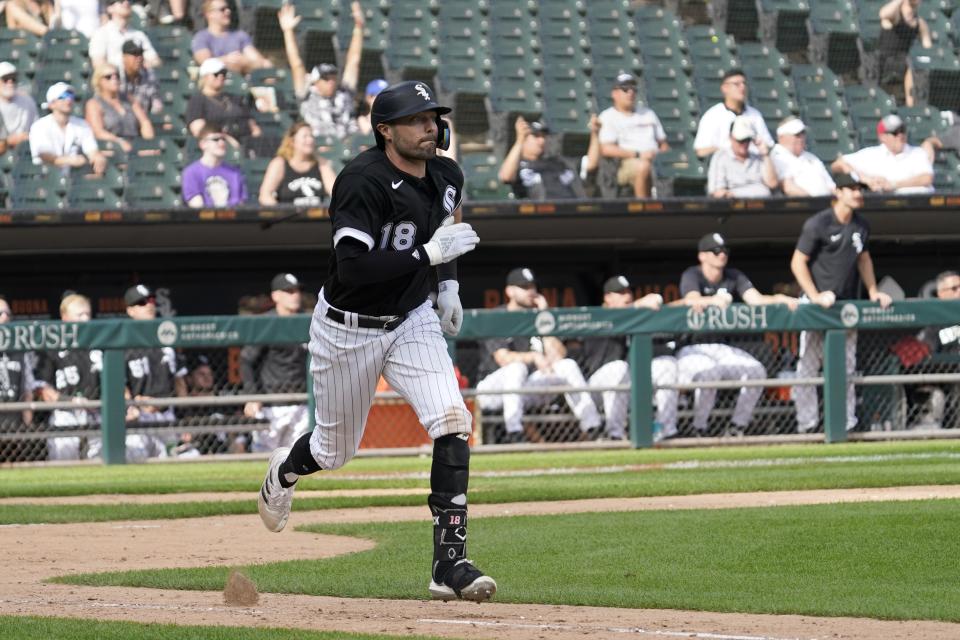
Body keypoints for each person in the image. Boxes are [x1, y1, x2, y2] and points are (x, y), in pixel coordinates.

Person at [256, 80, 495, 603]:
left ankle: (449, 564)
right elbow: (355, 266)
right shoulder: (361, 179)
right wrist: (431, 259)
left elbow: (445, 234)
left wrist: (448, 284)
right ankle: (285, 468)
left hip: (411, 318)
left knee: (453, 419)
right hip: (347, 326)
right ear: (384, 130)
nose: (429, 126)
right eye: (415, 119)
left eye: (432, 117)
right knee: (333, 452)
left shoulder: (448, 173)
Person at [790, 173, 894, 433]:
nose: (858, 193)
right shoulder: (819, 223)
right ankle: (808, 423)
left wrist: (873, 292)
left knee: (847, 367)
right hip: (817, 304)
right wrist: (813, 295)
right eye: (852, 189)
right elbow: (797, 262)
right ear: (838, 192)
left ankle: (847, 423)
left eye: (860, 189)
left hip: (846, 304)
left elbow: (864, 260)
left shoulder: (861, 224)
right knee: (808, 366)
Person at [677, 233, 799, 436]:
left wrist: (779, 298)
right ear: (703, 256)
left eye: (724, 251)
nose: (721, 255)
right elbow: (692, 300)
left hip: (721, 347)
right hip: (692, 347)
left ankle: (737, 426)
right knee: (709, 373)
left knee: (756, 371)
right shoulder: (692, 274)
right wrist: (712, 300)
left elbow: (756, 300)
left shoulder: (733, 276)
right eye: (715, 251)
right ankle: (698, 428)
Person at [475, 267, 603, 443]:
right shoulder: (497, 316)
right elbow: (502, 358)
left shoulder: (539, 318)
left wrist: (544, 316)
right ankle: (515, 432)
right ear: (510, 291)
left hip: (524, 388)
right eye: (524, 287)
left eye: (532, 286)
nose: (531, 291)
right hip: (492, 390)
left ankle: (593, 428)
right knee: (516, 368)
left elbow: (559, 355)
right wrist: (534, 357)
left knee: (567, 365)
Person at [580, 276, 678, 442]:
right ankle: (615, 434)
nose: (627, 296)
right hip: (595, 388)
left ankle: (666, 430)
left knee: (667, 365)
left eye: (628, 292)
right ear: (607, 297)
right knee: (618, 368)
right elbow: (616, 320)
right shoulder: (598, 315)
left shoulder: (634, 315)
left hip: (628, 387)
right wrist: (638, 305)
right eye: (620, 293)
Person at [240, 273, 310, 453]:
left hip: (302, 402)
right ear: (275, 296)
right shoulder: (267, 322)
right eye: (289, 291)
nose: (295, 295)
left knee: (298, 458)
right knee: (265, 459)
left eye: (297, 291)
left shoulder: (308, 321)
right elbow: (246, 359)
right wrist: (252, 396)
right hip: (272, 405)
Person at [280, 1, 363, 139]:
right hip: (320, 147)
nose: (330, 81)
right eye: (325, 78)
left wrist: (359, 27)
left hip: (349, 147)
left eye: (333, 77)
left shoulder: (345, 91)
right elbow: (296, 64)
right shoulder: (306, 94)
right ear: (316, 82)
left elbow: (354, 61)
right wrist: (288, 31)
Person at [122, 284, 186, 458]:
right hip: (139, 417)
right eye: (141, 303)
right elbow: (121, 386)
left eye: (151, 300)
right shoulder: (123, 344)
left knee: (183, 460)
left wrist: (184, 417)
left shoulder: (167, 339)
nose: (149, 305)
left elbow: (179, 383)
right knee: (135, 458)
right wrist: (131, 406)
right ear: (130, 311)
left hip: (167, 414)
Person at [34, 294, 101, 461]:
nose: (85, 319)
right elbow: (42, 389)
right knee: (64, 452)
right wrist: (70, 401)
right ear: (65, 317)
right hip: (65, 412)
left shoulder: (99, 346)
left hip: (97, 411)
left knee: (100, 461)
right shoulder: (52, 348)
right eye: (80, 315)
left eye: (88, 314)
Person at [598, 72, 669, 198]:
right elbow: (606, 149)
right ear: (614, 93)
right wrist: (639, 154)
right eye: (625, 89)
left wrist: (663, 157)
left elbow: (663, 144)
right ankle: (644, 208)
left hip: (655, 159)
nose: (630, 92)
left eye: (633, 89)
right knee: (643, 166)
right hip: (625, 163)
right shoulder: (608, 116)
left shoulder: (648, 113)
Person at [831, 114, 934, 194]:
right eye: (894, 132)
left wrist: (893, 185)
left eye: (902, 130)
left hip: (921, 207)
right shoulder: (873, 154)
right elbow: (838, 164)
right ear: (882, 137)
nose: (900, 135)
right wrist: (864, 179)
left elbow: (926, 178)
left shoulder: (917, 153)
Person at [186, 58, 264, 152]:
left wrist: (256, 137)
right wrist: (227, 139)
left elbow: (251, 124)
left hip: (245, 144)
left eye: (223, 73)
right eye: (216, 74)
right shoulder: (197, 100)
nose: (221, 76)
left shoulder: (234, 98)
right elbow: (199, 130)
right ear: (205, 77)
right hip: (217, 148)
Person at [29, 82, 108, 176]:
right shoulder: (40, 126)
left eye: (70, 96)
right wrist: (70, 160)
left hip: (73, 179)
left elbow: (91, 149)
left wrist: (97, 157)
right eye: (63, 97)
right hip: (44, 177)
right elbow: (44, 155)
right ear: (52, 104)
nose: (68, 100)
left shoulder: (82, 124)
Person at [498, 117, 586, 200]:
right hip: (538, 213)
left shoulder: (558, 162)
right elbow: (506, 177)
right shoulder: (517, 165)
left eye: (543, 136)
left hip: (570, 210)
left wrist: (595, 133)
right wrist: (519, 140)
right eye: (536, 136)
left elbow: (589, 164)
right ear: (524, 139)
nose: (542, 140)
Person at [694, 69, 774, 159]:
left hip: (753, 166)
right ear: (725, 88)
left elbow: (769, 145)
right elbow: (701, 150)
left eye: (744, 83)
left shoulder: (755, 115)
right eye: (737, 84)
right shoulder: (713, 115)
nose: (742, 87)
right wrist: (730, 150)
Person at [258, 121, 337, 206]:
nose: (310, 140)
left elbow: (337, 193)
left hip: (316, 217)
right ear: (292, 141)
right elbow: (265, 195)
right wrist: (280, 213)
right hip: (288, 218)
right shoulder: (279, 163)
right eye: (305, 136)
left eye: (311, 136)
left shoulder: (321, 163)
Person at [85, 63, 155, 153]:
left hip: (134, 146)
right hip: (110, 148)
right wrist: (119, 142)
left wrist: (148, 145)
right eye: (108, 77)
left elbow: (145, 122)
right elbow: (98, 132)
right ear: (99, 82)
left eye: (117, 76)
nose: (114, 79)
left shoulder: (129, 99)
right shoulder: (94, 104)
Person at [192, 0, 271, 74]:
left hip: (243, 80)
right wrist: (227, 59)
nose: (228, 11)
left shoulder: (240, 35)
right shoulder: (201, 37)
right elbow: (206, 63)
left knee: (267, 64)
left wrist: (241, 62)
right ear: (209, 14)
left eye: (228, 8)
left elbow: (259, 62)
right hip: (217, 80)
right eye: (222, 9)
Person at [706, 116, 779, 198]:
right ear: (731, 137)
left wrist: (765, 155)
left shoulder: (759, 157)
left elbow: (772, 184)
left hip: (762, 207)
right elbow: (717, 193)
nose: (744, 144)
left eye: (747, 139)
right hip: (733, 207)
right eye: (740, 140)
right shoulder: (721, 158)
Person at [0, 296, 37, 455]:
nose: (5, 317)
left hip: (14, 423)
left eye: (8, 313)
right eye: (0, 313)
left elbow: (27, 390)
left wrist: (27, 423)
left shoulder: (20, 351)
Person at [878, 0, 932, 106]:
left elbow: (929, 49)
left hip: (904, 64)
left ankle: (911, 107)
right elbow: (883, 14)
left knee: (912, 64)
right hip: (886, 63)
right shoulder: (896, 16)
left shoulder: (920, 23)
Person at [182, 123, 248, 207]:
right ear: (203, 144)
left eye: (223, 139)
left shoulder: (235, 173)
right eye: (216, 139)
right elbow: (197, 209)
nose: (221, 143)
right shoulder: (191, 173)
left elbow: (240, 207)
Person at [771, 116, 836, 197]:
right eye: (797, 135)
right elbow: (788, 187)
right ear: (781, 137)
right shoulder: (777, 156)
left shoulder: (811, 157)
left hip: (827, 202)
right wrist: (814, 201)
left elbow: (831, 186)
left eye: (803, 133)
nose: (801, 138)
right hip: (805, 205)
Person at [89, 0, 161, 70]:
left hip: (138, 80)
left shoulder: (139, 35)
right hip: (115, 79)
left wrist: (141, 64)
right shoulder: (101, 33)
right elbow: (98, 64)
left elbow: (156, 61)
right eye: (121, 1)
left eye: (129, 0)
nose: (126, 2)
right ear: (110, 8)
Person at [0, 62, 39, 154]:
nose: (10, 82)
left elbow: (37, 129)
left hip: (25, 153)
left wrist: (28, 137)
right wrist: (9, 141)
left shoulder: (27, 100)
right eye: (5, 79)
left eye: (13, 79)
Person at [119, 40, 163, 116]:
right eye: (135, 54)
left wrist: (157, 106)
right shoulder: (114, 76)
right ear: (124, 57)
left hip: (142, 122)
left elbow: (156, 102)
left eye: (140, 54)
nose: (139, 58)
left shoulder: (149, 75)